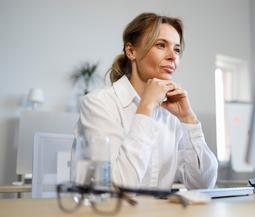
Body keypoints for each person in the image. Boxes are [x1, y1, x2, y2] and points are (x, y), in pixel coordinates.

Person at [78, 12, 218, 189]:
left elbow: (203, 185)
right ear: (131, 51)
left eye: (176, 49)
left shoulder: (172, 115)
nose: (173, 56)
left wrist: (189, 119)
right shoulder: (98, 104)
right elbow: (116, 189)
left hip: (159, 216)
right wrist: (146, 108)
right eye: (161, 45)